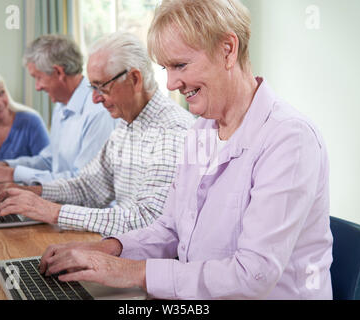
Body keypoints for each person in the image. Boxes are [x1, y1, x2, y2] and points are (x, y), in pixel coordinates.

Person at [37, 0, 334, 300]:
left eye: (180, 65)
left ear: (227, 50)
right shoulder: (201, 132)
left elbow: (252, 275)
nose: (171, 83)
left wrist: (132, 272)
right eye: (166, 68)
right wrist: (108, 248)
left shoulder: (290, 139)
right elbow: (171, 228)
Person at [0, 32, 195, 236]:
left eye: (101, 87)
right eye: (92, 88)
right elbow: (90, 186)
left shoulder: (172, 132)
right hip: (120, 244)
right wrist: (34, 193)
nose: (94, 99)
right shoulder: (127, 121)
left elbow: (147, 220)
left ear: (134, 79)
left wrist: (53, 212)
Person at [0, 34, 117, 185]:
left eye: (38, 78)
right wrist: (5, 166)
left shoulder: (97, 112)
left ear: (59, 72)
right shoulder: (61, 105)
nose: (37, 87)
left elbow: (84, 183)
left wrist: (14, 174)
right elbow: (49, 160)